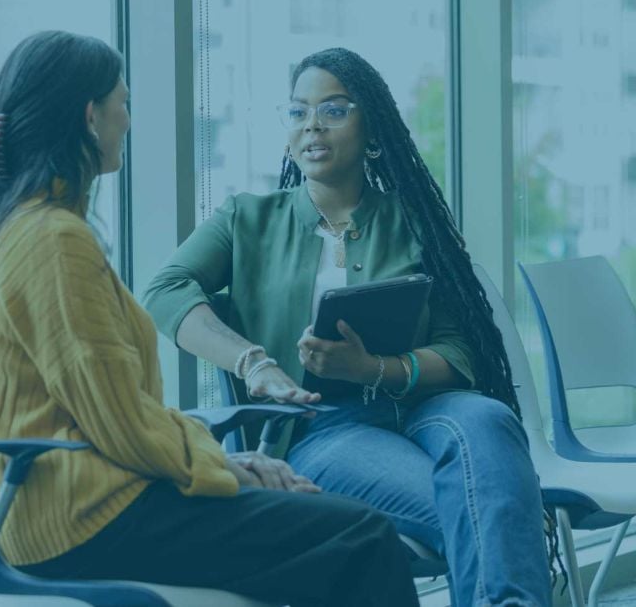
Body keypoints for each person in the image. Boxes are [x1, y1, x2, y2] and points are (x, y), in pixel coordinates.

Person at [0, 31, 419, 607]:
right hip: (85, 518)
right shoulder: (52, 242)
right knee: (360, 537)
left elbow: (114, 415)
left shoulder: (19, 227)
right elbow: (118, 421)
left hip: (79, 502)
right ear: (91, 116)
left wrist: (224, 459)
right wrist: (227, 469)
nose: (129, 118)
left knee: (319, 537)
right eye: (124, 102)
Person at [143, 47, 553, 607]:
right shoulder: (246, 219)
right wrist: (252, 362)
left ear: (372, 129)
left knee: (488, 416)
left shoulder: (415, 225)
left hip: (427, 408)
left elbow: (461, 354)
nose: (312, 124)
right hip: (325, 428)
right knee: (490, 509)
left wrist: (375, 369)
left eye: (333, 110)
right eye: (298, 112)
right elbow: (164, 290)